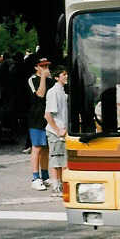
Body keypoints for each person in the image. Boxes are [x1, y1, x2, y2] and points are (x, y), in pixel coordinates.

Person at [28, 57, 54, 190]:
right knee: (37, 147)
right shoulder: (32, 80)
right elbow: (40, 94)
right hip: (36, 118)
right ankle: (35, 177)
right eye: (42, 66)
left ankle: (45, 175)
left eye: (47, 66)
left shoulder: (52, 81)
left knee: (46, 148)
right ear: (36, 67)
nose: (46, 68)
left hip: (47, 118)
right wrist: (43, 77)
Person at [44, 66, 69, 198]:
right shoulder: (53, 92)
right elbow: (48, 115)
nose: (66, 76)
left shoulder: (63, 92)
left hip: (63, 131)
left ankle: (62, 185)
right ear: (56, 77)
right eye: (63, 74)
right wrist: (57, 130)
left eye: (66, 74)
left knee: (63, 161)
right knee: (56, 160)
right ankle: (56, 186)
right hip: (56, 132)